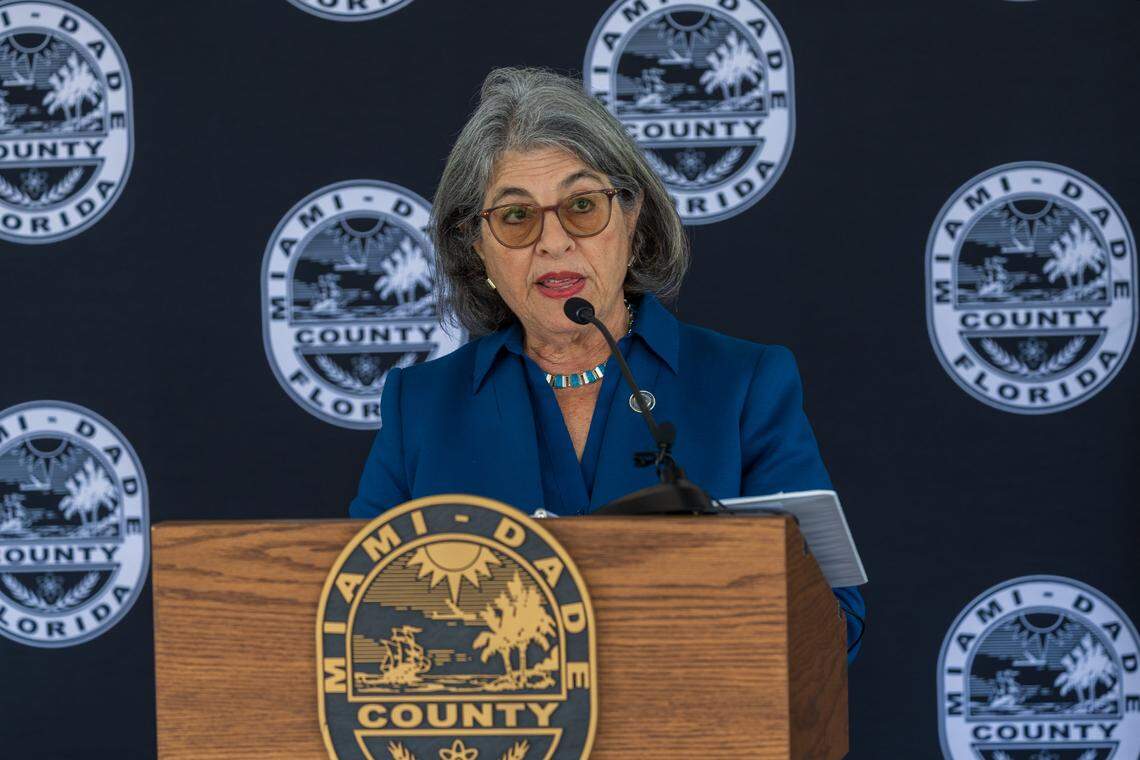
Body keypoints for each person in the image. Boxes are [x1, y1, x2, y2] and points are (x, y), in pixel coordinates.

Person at [349, 67, 864, 661]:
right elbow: (362, 615)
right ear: (476, 246)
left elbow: (833, 623)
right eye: (516, 217)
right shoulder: (421, 405)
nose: (554, 241)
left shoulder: (745, 385)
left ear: (631, 218)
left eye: (583, 206)